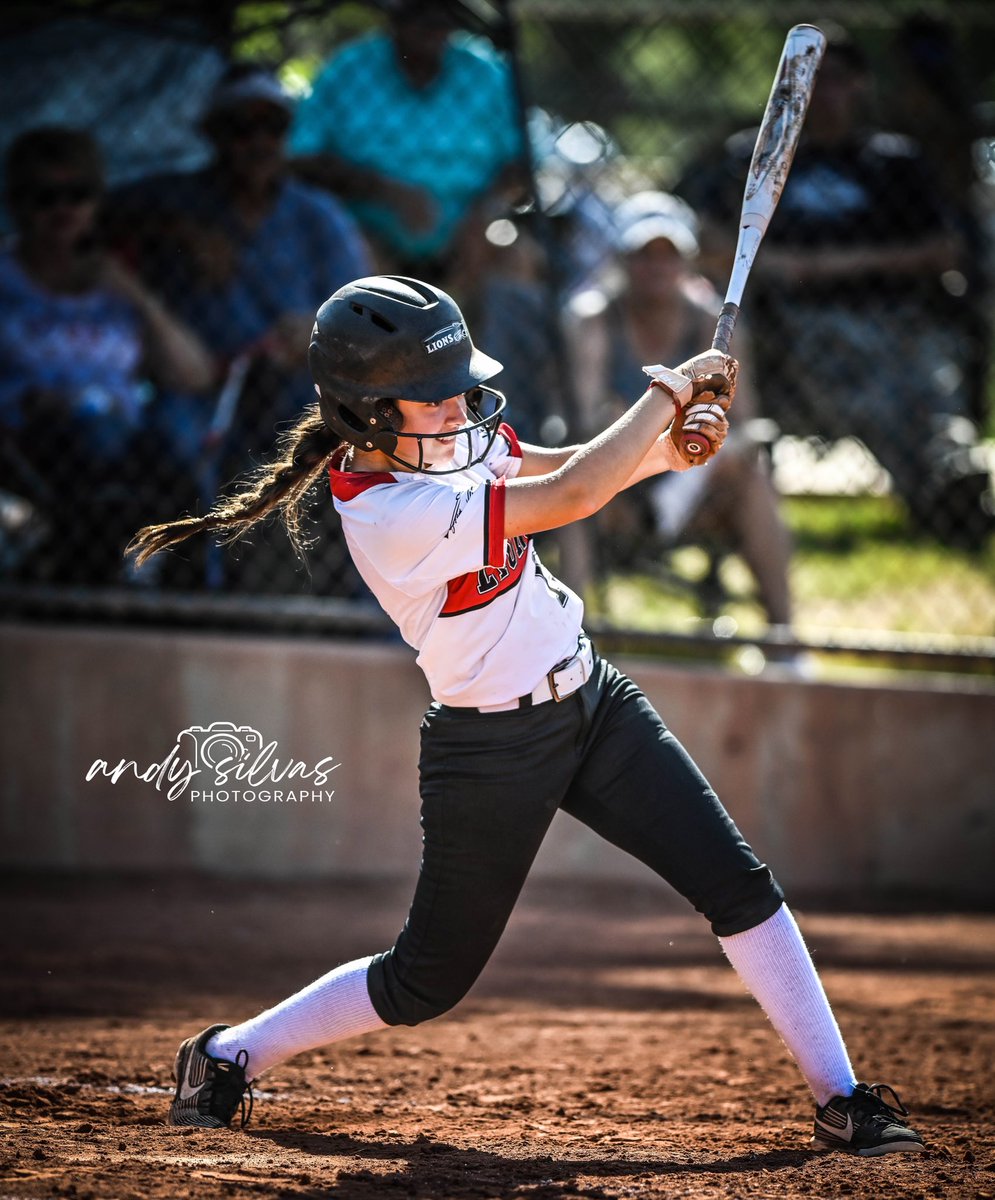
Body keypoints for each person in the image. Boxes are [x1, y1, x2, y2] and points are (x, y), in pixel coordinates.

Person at [128, 275, 925, 1157]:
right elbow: (575, 495)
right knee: (424, 982)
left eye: (461, 386)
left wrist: (671, 450)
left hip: (594, 701)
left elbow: (565, 465)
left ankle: (842, 1097)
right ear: (366, 412)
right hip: (491, 746)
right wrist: (662, 394)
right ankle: (228, 1053)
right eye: (433, 397)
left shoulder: (450, 443)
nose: (459, 406)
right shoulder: (389, 512)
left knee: (736, 884)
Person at [680, 29, 993, 549]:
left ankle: (952, 467)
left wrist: (842, 263)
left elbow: (945, 249)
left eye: (838, 82)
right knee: (868, 378)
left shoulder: (891, 162)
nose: (823, 93)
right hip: (799, 324)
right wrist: (785, 265)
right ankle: (942, 490)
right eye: (815, 81)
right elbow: (705, 236)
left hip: (899, 315)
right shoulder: (755, 154)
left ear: (860, 87)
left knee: (929, 378)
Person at [108, 63, 374, 591]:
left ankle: (324, 596)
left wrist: (318, 328)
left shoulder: (317, 215)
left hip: (293, 384)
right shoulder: (175, 198)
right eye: (239, 127)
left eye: (268, 127)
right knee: (176, 441)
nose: (255, 142)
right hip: (201, 383)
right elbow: (90, 218)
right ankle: (181, 584)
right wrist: (179, 232)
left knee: (334, 454)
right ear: (213, 135)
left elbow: (366, 310)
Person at [567, 191, 794, 634]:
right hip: (614, 485)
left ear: (687, 262)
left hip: (694, 477)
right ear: (620, 260)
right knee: (573, 481)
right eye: (643, 255)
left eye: (668, 256)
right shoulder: (591, 319)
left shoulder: (716, 325)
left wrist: (691, 447)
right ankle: (564, 647)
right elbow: (586, 418)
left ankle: (784, 640)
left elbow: (745, 423)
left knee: (752, 473)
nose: (656, 268)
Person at [0, 126, 215, 585]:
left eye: (77, 195)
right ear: (16, 204)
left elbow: (193, 374)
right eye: (45, 197)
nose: (63, 210)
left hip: (127, 437)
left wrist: (137, 296)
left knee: (171, 449)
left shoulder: (116, 280)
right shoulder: (5, 280)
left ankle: (180, 585)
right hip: (31, 434)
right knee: (88, 441)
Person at [288, 0, 527, 301]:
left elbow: (522, 164)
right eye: (417, 13)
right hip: (368, 234)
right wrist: (380, 189)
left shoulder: (486, 73)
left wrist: (484, 213)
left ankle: (488, 347)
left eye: (441, 16)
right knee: (359, 277)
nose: (430, 25)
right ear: (394, 17)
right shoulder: (348, 70)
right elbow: (300, 159)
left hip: (470, 237)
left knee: (517, 257)